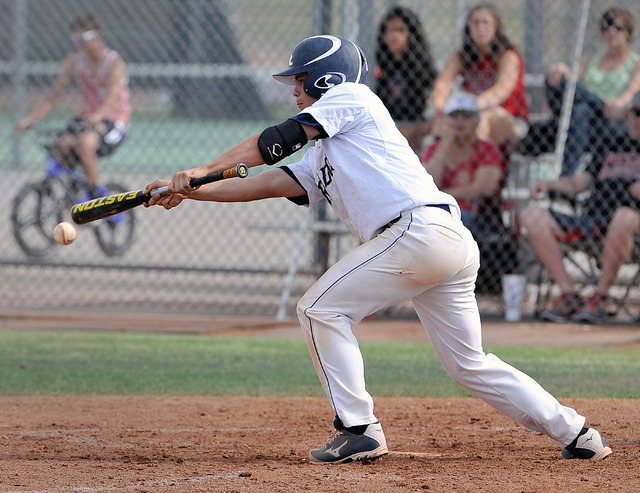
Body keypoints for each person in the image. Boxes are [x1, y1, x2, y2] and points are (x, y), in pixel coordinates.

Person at [144, 35, 611, 464]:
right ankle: (576, 432)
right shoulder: (326, 148)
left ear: (326, 78)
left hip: (417, 233)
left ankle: (359, 427)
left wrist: (201, 169)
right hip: (438, 240)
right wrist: (188, 191)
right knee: (469, 364)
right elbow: (269, 181)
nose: (294, 90)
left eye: (300, 80)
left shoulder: (351, 98)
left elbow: (274, 143)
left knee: (318, 309)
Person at [521, 89, 640, 324]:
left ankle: (600, 296)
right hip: (594, 219)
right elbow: (579, 183)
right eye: (637, 112)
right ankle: (569, 294)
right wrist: (550, 184)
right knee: (532, 215)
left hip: (631, 224)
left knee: (623, 217)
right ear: (628, 114)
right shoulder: (612, 145)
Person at [15, 13, 130, 196]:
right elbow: (52, 97)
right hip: (86, 120)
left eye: (83, 38)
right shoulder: (75, 61)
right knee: (61, 144)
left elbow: (113, 96)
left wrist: (99, 115)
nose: (79, 44)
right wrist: (30, 119)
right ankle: (74, 190)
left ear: (97, 35)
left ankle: (93, 197)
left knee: (85, 143)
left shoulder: (113, 63)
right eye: (75, 39)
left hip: (112, 121)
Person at [544, 7, 640, 176]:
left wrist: (618, 103)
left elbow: (630, 95)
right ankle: (597, 102)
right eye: (607, 26)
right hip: (584, 118)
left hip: (611, 120)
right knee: (556, 82)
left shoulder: (635, 63)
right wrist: (560, 69)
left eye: (618, 27)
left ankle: (566, 177)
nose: (611, 31)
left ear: (628, 33)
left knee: (581, 110)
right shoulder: (590, 60)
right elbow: (571, 80)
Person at [430, 3, 529, 148]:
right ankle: (443, 167)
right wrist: (441, 105)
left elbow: (501, 90)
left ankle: (477, 164)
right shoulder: (462, 56)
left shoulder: (507, 55)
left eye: (486, 23)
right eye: (476, 23)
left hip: (509, 118)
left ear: (496, 28)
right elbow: (443, 83)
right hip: (471, 114)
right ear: (468, 27)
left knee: (482, 117)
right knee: (444, 120)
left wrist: (470, 107)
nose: (480, 28)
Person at [421, 91, 504, 237]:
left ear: (477, 121)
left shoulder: (488, 149)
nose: (459, 121)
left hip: (473, 214)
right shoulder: (434, 149)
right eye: (453, 115)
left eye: (466, 116)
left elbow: (481, 189)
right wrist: (445, 143)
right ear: (445, 120)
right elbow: (428, 184)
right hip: (437, 212)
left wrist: (440, 197)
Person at [374, 6, 438, 151]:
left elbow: (434, 101)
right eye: (391, 30)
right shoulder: (378, 63)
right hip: (385, 124)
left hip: (414, 125)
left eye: (401, 30)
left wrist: (420, 128)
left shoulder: (423, 66)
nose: (395, 36)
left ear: (411, 35)